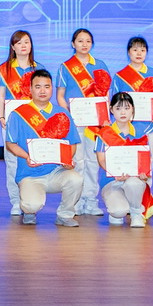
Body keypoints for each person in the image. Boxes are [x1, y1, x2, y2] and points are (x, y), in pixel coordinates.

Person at [6, 70, 83, 227]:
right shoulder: (18, 114)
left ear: (52, 89)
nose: (42, 91)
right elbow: (10, 144)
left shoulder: (62, 112)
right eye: (38, 87)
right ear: (30, 89)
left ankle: (65, 215)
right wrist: (27, 157)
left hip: (57, 171)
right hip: (30, 173)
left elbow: (72, 143)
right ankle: (29, 212)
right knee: (31, 205)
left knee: (76, 179)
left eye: (47, 87)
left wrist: (67, 159)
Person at [55, 28, 110, 217]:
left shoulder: (100, 65)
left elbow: (106, 95)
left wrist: (105, 116)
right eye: (80, 41)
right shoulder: (65, 67)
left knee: (93, 161)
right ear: (73, 44)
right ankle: (76, 201)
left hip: (95, 123)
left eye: (88, 41)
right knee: (77, 161)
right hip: (75, 122)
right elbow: (60, 95)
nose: (84, 44)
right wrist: (68, 114)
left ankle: (91, 201)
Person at [94, 92, 153, 229]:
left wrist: (144, 173)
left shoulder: (141, 131)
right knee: (118, 212)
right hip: (112, 180)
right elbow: (102, 160)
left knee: (133, 183)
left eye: (127, 108)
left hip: (134, 179)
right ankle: (117, 210)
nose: (123, 112)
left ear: (133, 109)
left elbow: (146, 156)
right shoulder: (103, 134)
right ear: (111, 110)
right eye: (118, 108)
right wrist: (115, 173)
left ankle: (136, 213)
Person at [0, 29, 38, 217]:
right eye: (19, 42)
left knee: (31, 158)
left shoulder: (38, 69)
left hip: (33, 122)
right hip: (10, 121)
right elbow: (1, 96)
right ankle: (15, 201)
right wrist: (1, 117)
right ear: (13, 46)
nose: (23, 46)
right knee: (12, 161)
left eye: (26, 42)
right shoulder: (4, 69)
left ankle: (30, 199)